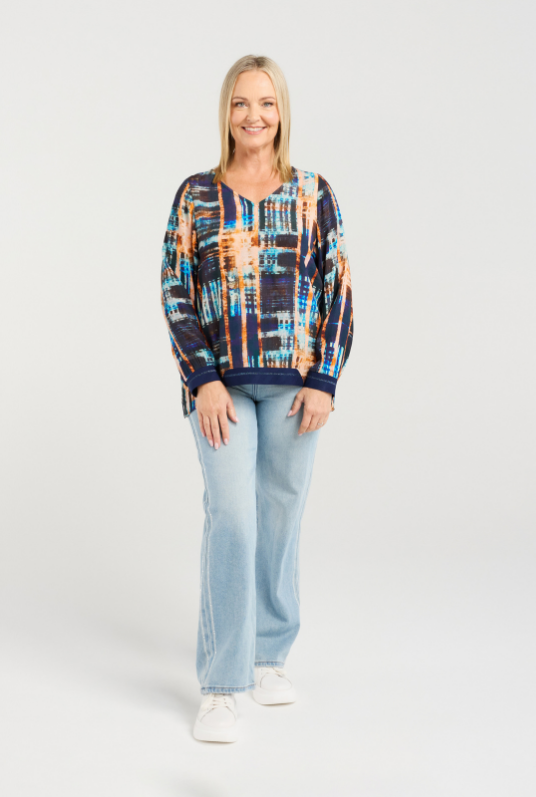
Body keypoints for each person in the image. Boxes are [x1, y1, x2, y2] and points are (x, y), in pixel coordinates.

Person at [160, 54, 354, 743]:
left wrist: (325, 380)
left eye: (266, 103)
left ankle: (269, 655)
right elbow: (175, 289)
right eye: (241, 103)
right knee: (233, 518)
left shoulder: (312, 193)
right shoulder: (196, 195)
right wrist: (203, 377)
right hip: (222, 389)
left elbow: (338, 290)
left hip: (297, 390)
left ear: (282, 112)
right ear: (226, 112)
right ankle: (219, 685)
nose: (254, 115)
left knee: (279, 517)